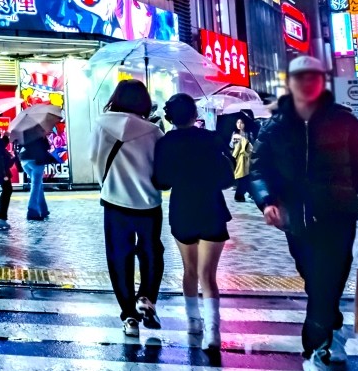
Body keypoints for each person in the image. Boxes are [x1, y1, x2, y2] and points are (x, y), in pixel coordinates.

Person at [249, 55, 358, 371]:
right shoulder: (276, 126)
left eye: (313, 77)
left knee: (328, 282)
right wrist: (266, 200)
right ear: (291, 83)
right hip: (295, 220)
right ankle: (332, 329)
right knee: (316, 282)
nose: (306, 83)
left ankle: (314, 353)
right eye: (300, 77)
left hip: (339, 215)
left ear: (321, 82)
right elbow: (257, 170)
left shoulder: (344, 121)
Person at [154, 93, 234, 349]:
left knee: (190, 271)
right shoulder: (210, 139)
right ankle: (213, 332)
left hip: (183, 207)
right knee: (208, 275)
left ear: (170, 117)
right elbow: (226, 178)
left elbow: (162, 182)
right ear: (194, 114)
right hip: (211, 206)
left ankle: (193, 322)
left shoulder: (166, 143)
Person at [94, 79, 165, 337]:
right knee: (151, 253)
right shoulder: (154, 132)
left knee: (119, 258)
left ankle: (129, 318)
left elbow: (96, 159)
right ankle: (146, 297)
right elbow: (160, 167)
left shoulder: (102, 125)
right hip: (148, 202)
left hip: (115, 202)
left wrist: (109, 183)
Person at [20, 125, 53, 221]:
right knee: (35, 185)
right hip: (36, 161)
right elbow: (46, 146)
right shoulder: (38, 132)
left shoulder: (23, 131)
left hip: (24, 161)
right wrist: (44, 136)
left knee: (38, 185)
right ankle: (32, 210)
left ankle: (43, 209)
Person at [231, 118, 253, 202]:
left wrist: (242, 140)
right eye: (238, 122)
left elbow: (251, 145)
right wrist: (233, 141)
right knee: (241, 176)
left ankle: (241, 194)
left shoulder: (248, 133)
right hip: (237, 158)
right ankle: (243, 194)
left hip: (246, 158)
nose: (239, 124)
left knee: (245, 176)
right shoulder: (234, 134)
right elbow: (231, 145)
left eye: (241, 122)